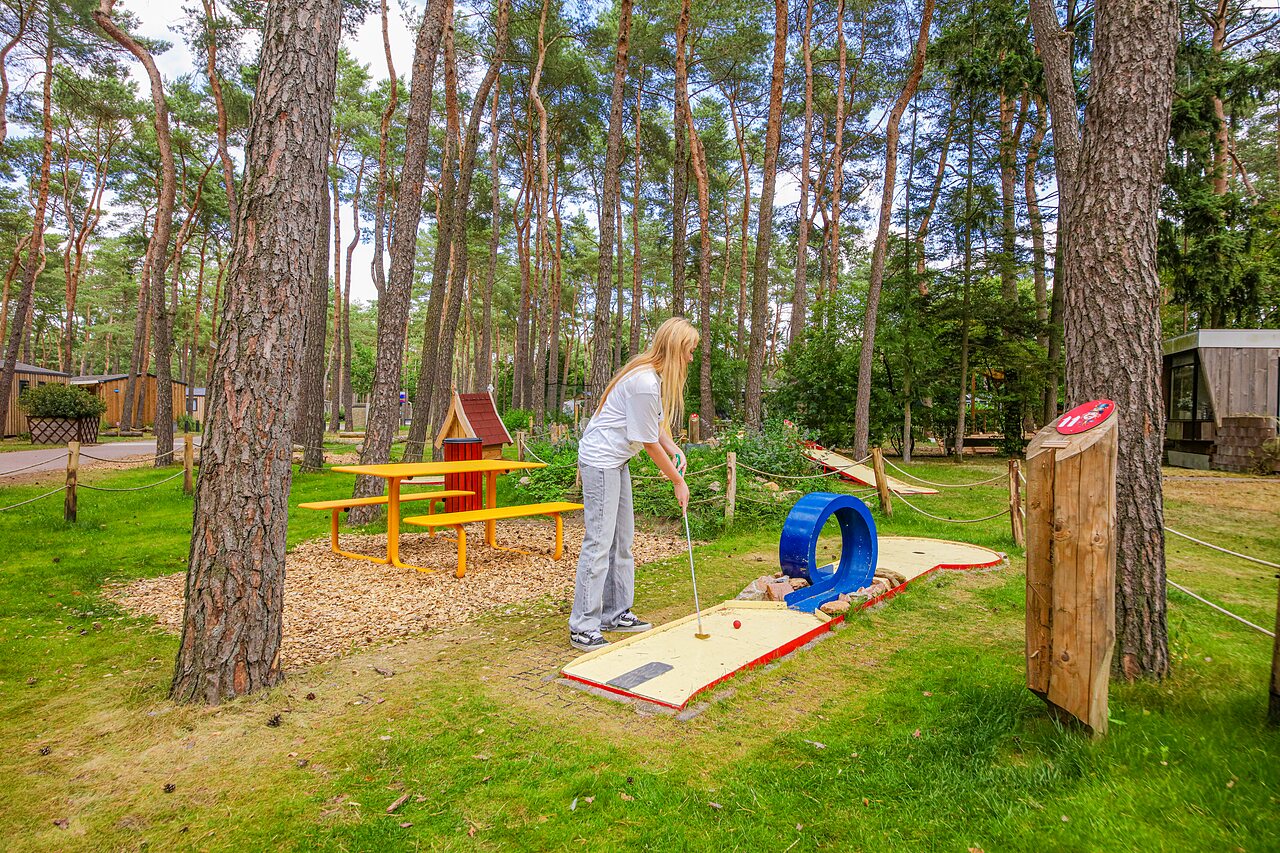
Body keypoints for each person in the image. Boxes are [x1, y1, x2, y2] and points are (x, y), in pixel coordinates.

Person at [568, 317, 698, 651]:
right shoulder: (643, 382)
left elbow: (655, 428)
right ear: (675, 349)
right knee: (599, 543)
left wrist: (676, 448)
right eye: (689, 351)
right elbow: (648, 444)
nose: (690, 359)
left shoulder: (650, 379)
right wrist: (677, 480)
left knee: (622, 540)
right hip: (600, 462)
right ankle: (583, 625)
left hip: (617, 461)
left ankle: (615, 612)